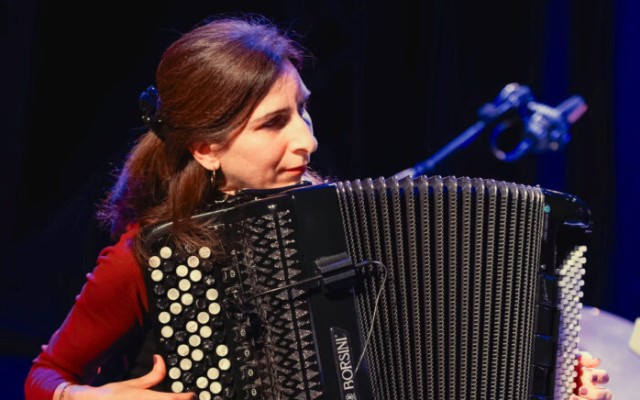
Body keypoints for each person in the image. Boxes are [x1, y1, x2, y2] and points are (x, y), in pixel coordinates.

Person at [23, 14, 612, 400]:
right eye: (273, 123)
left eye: (302, 109)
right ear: (206, 148)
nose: (306, 139)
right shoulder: (147, 257)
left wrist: (550, 379)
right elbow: (43, 376)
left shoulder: (354, 223)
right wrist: (81, 396)